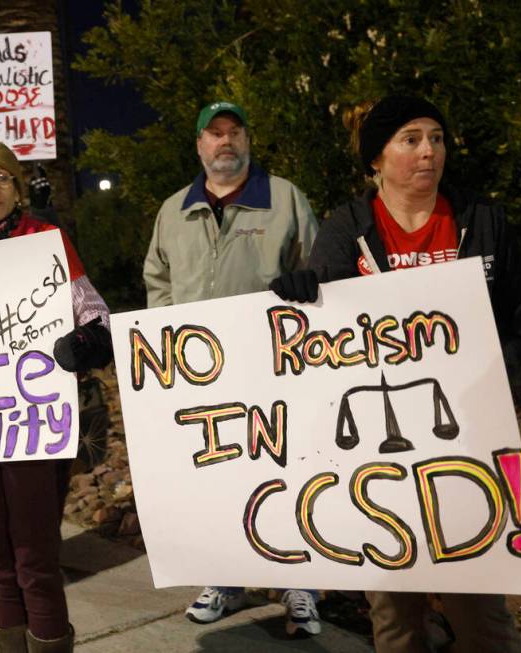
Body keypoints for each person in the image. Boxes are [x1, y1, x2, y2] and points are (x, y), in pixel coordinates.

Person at [272, 94, 521, 652]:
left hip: (467, 441)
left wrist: (497, 373)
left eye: (435, 138)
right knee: (394, 614)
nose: (428, 152)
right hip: (378, 453)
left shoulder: (481, 220)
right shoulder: (348, 229)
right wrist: (303, 293)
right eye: (409, 139)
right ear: (376, 159)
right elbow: (325, 330)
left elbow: (518, 313)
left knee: (481, 609)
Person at [143, 100, 323, 635]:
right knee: (216, 476)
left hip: (276, 368)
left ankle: (302, 584)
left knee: (287, 472)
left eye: (234, 132)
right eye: (213, 134)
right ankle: (226, 579)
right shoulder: (174, 209)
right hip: (201, 375)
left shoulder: (286, 198)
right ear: (199, 145)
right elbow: (158, 281)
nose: (225, 141)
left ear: (247, 141)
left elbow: (316, 270)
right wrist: (170, 345)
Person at [0, 142, 113, 652]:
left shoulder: (46, 240)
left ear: (18, 189)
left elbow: (97, 318)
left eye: (2, 178)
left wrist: (83, 342)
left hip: (33, 422)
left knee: (35, 557)